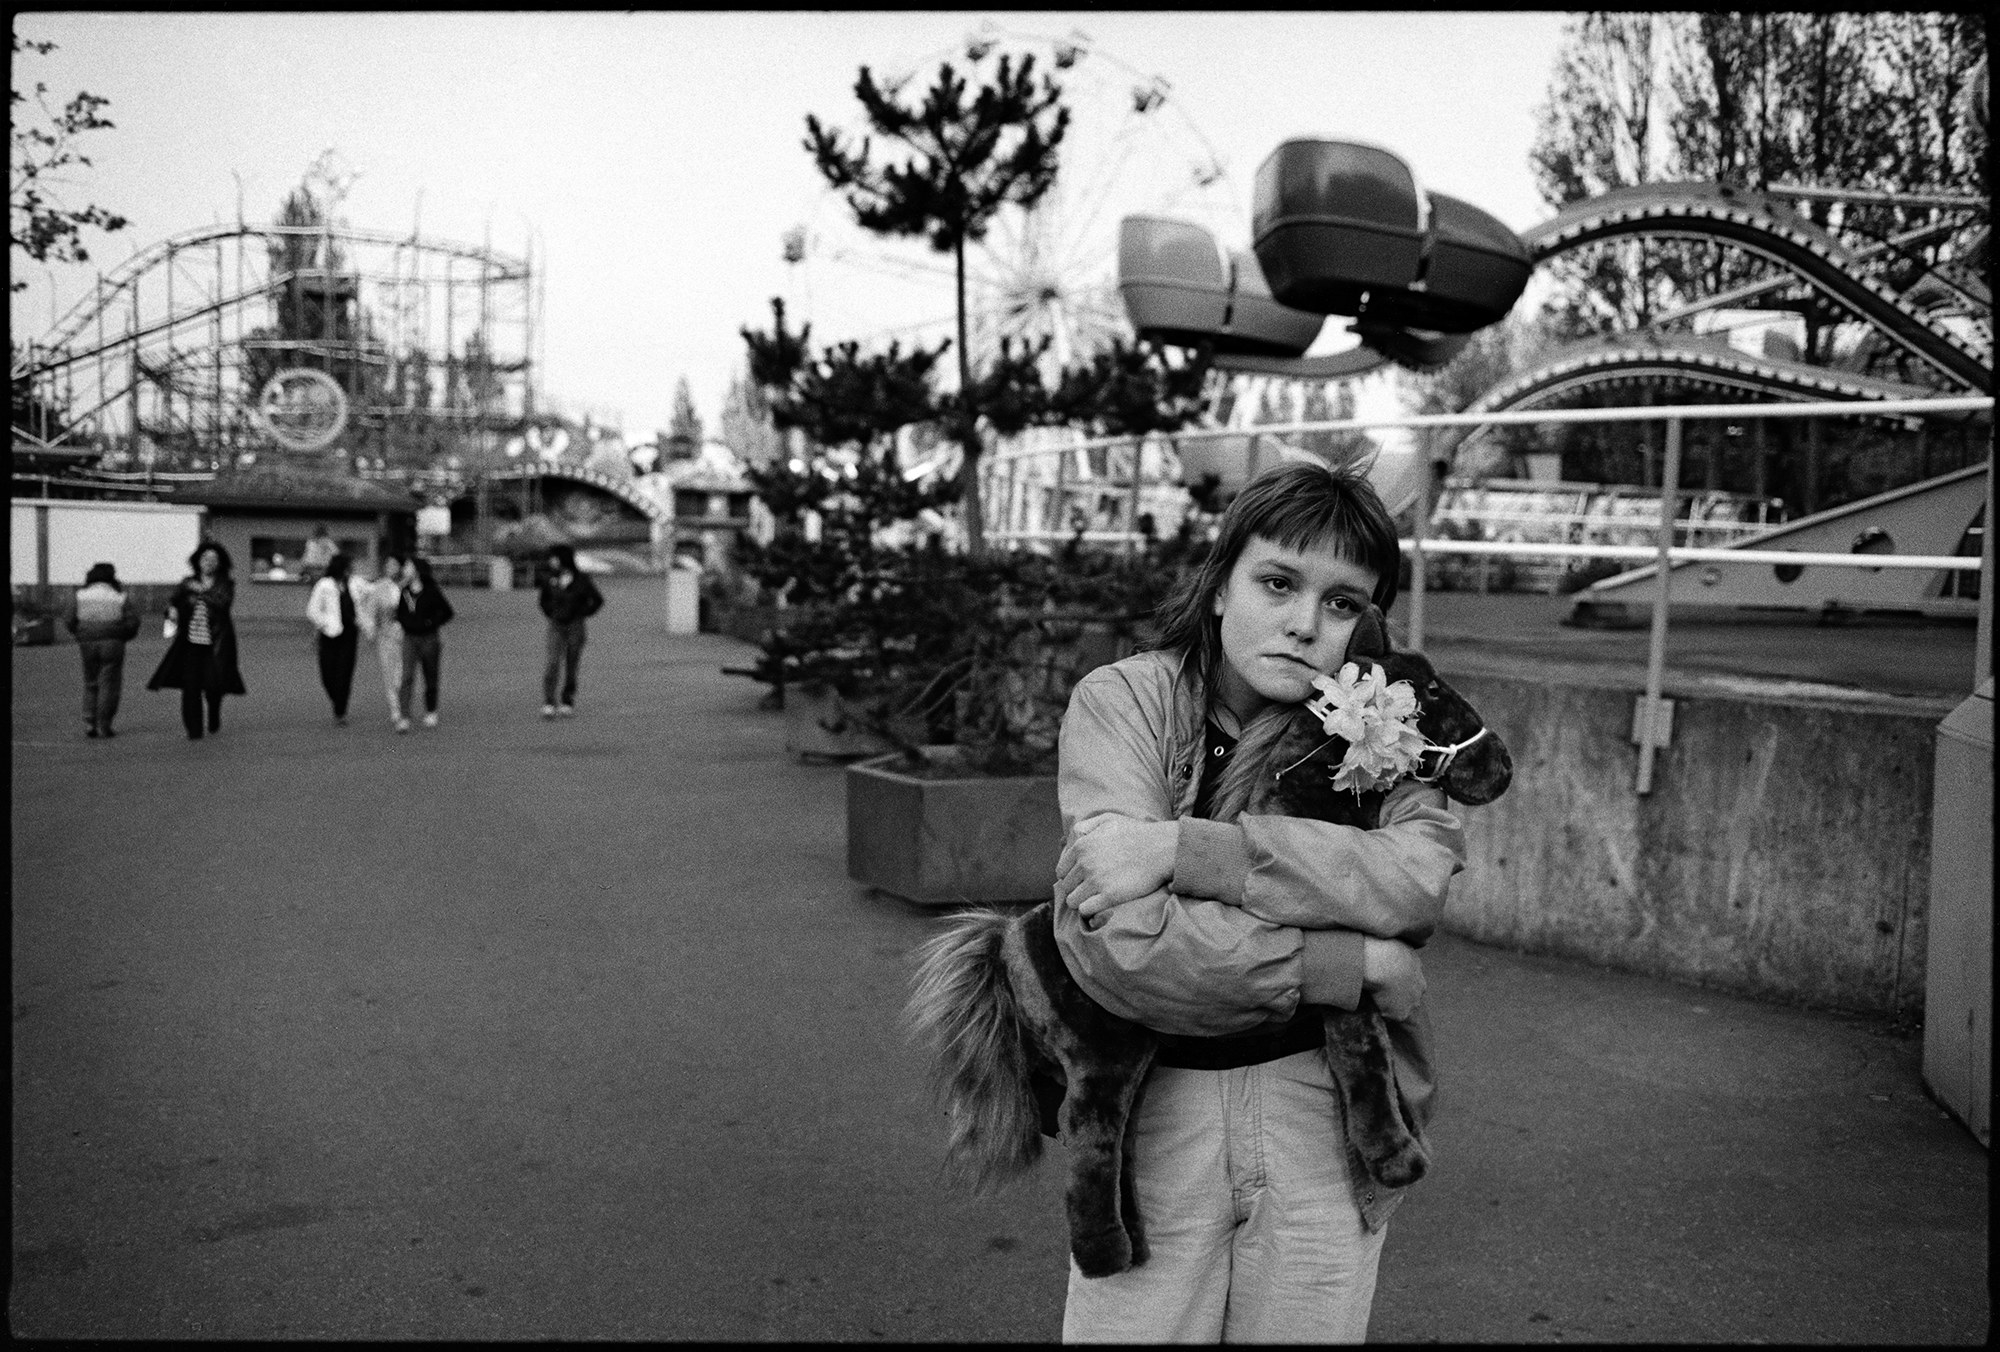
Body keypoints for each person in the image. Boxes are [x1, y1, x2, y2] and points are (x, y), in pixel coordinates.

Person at [1049, 461, 1464, 1343]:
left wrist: (1179, 849)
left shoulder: (1384, 722)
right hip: (1161, 1108)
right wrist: (1352, 961)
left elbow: (1413, 877)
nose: (1305, 623)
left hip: (1326, 1103)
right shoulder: (1126, 701)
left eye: (1343, 603)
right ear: (1219, 585)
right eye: (1278, 582)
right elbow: (1125, 945)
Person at [147, 539, 248, 740]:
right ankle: (194, 730)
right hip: (190, 643)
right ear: (197, 561)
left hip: (216, 642)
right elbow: (173, 603)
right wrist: (172, 611)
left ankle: (213, 712)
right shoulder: (186, 583)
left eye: (213, 559)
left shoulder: (225, 584)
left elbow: (223, 603)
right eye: (205, 558)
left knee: (214, 685)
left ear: (220, 563)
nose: (209, 562)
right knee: (190, 685)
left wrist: (201, 590)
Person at [61, 561, 142, 738]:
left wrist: (80, 633)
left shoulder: (80, 595)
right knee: (109, 683)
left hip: (87, 642)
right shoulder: (119, 596)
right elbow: (133, 621)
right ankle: (104, 723)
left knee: (90, 681)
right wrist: (123, 635)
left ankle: (89, 721)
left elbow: (68, 619)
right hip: (113, 642)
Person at [536, 543, 604, 718]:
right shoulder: (549, 578)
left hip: (575, 626)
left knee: (571, 664)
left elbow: (597, 600)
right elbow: (543, 601)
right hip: (556, 625)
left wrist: (582, 612)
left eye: (554, 557)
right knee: (552, 662)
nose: (551, 561)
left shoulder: (581, 579)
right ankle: (549, 701)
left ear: (563, 559)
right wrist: (552, 612)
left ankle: (567, 700)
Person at [394, 554, 454, 731]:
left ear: (417, 570)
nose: (405, 569)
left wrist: (431, 623)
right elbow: (400, 612)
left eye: (408, 566)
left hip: (429, 638)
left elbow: (447, 612)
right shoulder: (404, 591)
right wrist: (406, 623)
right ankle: (404, 716)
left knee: (430, 675)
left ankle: (431, 710)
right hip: (409, 638)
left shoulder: (432, 590)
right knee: (406, 676)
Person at [306, 551, 366, 725]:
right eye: (348, 568)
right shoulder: (324, 585)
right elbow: (312, 610)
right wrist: (325, 624)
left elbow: (370, 593)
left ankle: (341, 711)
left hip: (349, 635)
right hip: (330, 635)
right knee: (327, 674)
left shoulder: (354, 584)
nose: (350, 571)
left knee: (345, 673)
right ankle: (336, 699)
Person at [364, 550, 408, 730]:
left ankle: (403, 704)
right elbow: (370, 612)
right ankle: (396, 710)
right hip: (386, 636)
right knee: (390, 675)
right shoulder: (379, 587)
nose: (390, 568)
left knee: (403, 674)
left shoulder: (408, 587)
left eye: (394, 564)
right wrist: (370, 631)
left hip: (408, 636)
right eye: (387, 564)